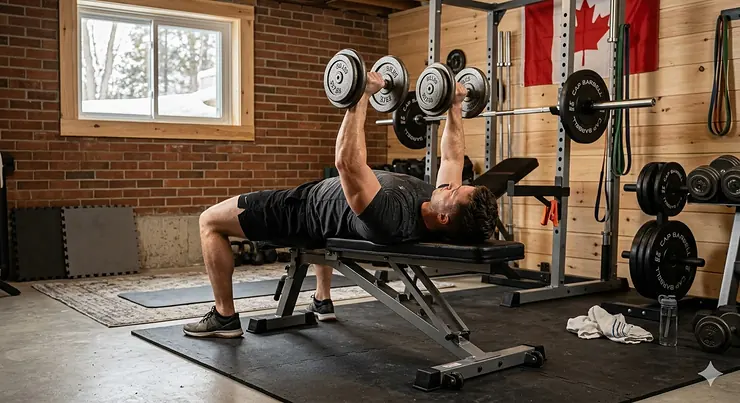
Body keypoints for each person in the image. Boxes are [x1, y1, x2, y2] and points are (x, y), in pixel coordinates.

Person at [183, 72, 499, 338]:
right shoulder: (437, 205)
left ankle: (224, 317)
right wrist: (456, 105)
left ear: (444, 218)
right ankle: (322, 299)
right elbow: (453, 156)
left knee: (209, 220)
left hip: (299, 212)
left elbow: (346, 162)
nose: (452, 185)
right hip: (326, 209)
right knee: (336, 215)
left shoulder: (390, 216)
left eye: (455, 191)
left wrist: (360, 97)